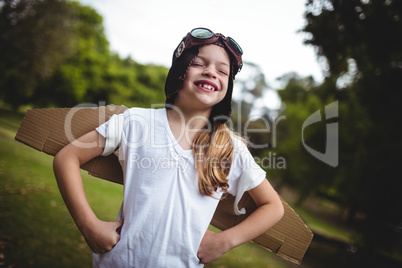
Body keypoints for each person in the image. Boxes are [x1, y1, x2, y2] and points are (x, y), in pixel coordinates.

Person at [53, 27, 284, 267]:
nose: (211, 72)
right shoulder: (136, 122)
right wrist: (90, 226)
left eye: (222, 71)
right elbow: (67, 157)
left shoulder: (230, 149)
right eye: (198, 63)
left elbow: (273, 207)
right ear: (179, 71)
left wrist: (225, 241)